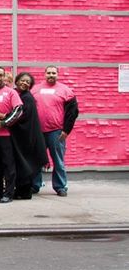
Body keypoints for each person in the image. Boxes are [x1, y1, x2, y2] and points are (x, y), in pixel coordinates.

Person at [31, 65, 79, 197]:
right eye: (49, 73)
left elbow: (73, 112)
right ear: (44, 74)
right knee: (36, 160)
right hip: (38, 132)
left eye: (53, 73)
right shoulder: (35, 89)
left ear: (58, 74)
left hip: (56, 132)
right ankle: (34, 185)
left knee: (58, 160)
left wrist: (66, 130)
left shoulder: (66, 91)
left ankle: (60, 186)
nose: (51, 75)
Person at [8, 72, 49, 201]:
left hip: (26, 137)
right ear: (17, 80)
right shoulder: (17, 95)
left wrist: (4, 120)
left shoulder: (27, 98)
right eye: (22, 80)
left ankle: (24, 192)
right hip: (22, 136)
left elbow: (21, 116)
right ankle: (21, 190)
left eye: (27, 82)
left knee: (24, 164)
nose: (24, 83)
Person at [0, 67, 23, 203]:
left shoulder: (11, 92)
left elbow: (18, 111)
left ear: (5, 77)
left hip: (7, 135)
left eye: (1, 75)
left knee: (8, 166)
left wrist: (3, 123)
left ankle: (8, 193)